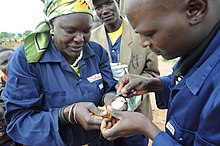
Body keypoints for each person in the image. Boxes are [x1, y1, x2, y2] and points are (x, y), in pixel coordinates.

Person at [100, 0, 220, 145]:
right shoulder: (198, 49)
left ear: (195, 9)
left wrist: (147, 128)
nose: (143, 43)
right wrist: (154, 84)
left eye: (150, 33)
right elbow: (187, 80)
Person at [1, 0, 121, 145]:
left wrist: (110, 98)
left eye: (86, 30)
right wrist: (66, 114)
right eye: (70, 31)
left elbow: (109, 88)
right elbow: (19, 121)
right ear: (51, 25)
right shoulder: (27, 60)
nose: (80, 39)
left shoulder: (97, 53)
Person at [90, 0, 159, 145]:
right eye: (98, 7)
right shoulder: (91, 39)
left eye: (108, 3)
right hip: (105, 120)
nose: (104, 10)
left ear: (118, 3)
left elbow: (152, 73)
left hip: (137, 118)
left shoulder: (140, 32)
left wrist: (136, 88)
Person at [0, 48, 21, 146]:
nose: (10, 64)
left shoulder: (36, 82)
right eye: (4, 62)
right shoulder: (1, 92)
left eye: (13, 58)